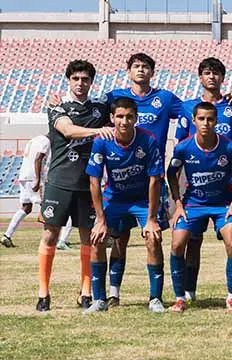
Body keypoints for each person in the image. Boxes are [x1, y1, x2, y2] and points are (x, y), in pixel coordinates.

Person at [36, 60, 113, 313]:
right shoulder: (57, 106)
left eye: (85, 79)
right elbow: (67, 131)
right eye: (76, 79)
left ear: (91, 82)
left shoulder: (100, 107)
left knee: (88, 238)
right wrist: (99, 131)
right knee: (50, 235)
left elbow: (127, 103)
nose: (80, 83)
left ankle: (86, 292)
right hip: (60, 181)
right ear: (68, 80)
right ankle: (43, 293)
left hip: (88, 183)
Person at [173, 57, 232, 304]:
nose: (212, 77)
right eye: (207, 73)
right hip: (195, 185)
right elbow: (180, 146)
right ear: (200, 77)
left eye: (216, 73)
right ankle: (188, 291)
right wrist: (179, 194)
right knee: (192, 240)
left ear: (223, 78)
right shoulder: (188, 107)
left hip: (226, 187)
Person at [83, 98, 166, 313]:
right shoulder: (102, 141)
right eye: (119, 116)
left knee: (153, 238)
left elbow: (155, 180)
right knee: (98, 239)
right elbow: (94, 181)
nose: (124, 121)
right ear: (112, 118)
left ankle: (155, 299)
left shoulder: (148, 140)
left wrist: (151, 219)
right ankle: (99, 299)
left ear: (136, 118)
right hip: (115, 198)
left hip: (142, 200)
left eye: (129, 116)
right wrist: (100, 220)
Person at [167, 102, 232, 313]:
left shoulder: (229, 147)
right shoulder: (183, 147)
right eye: (201, 119)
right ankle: (180, 298)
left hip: (223, 205)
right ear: (193, 121)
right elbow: (171, 174)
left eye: (210, 119)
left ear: (216, 122)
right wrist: (178, 204)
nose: (205, 123)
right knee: (177, 244)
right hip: (193, 204)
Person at [2, 134, 50, 248]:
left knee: (26, 207)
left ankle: (7, 235)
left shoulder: (34, 139)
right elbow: (38, 158)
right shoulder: (46, 141)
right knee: (47, 206)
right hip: (33, 177)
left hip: (23, 176)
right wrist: (38, 179)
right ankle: (50, 239)